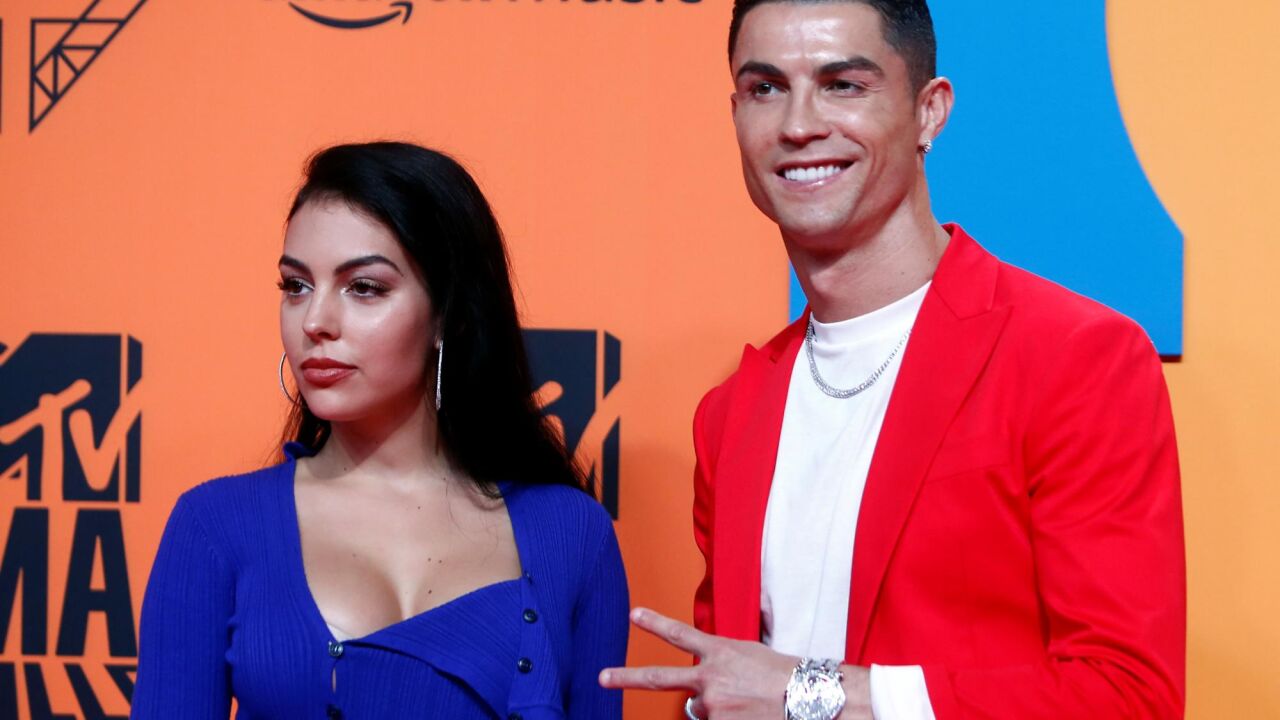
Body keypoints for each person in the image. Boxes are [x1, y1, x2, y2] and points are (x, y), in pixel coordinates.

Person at [600, 1, 1185, 718]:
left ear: (929, 112)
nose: (798, 124)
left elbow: (1126, 696)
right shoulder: (731, 415)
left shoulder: (1074, 358)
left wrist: (810, 694)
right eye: (766, 88)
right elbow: (739, 686)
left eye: (843, 84)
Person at [132, 142, 629, 719]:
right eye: (296, 286)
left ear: (448, 314)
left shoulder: (573, 535)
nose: (315, 321)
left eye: (364, 287)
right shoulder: (215, 526)